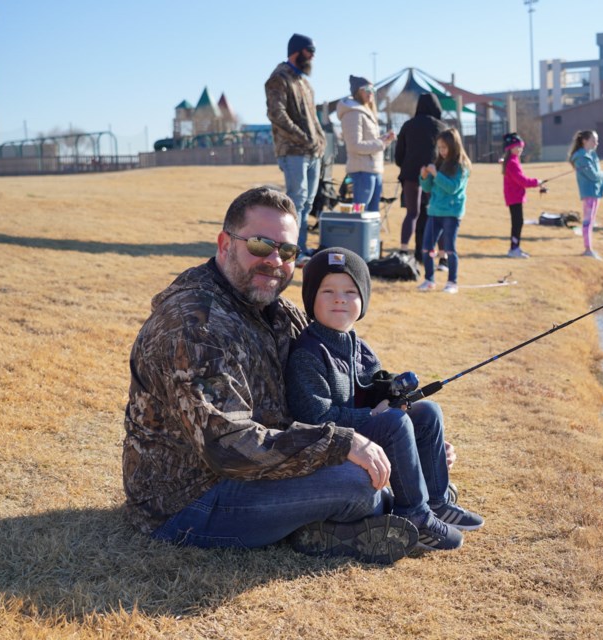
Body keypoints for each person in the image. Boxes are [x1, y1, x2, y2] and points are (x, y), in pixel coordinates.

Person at [122, 187, 419, 564]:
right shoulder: (195, 327)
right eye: (261, 245)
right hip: (188, 500)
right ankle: (341, 522)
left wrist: (407, 445)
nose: (275, 261)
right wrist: (341, 445)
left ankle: (327, 526)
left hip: (259, 472)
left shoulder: (275, 310)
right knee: (359, 483)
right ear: (224, 243)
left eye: (288, 251)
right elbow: (227, 448)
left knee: (372, 467)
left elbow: (334, 388)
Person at [286, 247, 484, 551]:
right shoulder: (307, 353)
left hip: (361, 430)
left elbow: (372, 382)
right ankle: (414, 515)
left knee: (427, 410)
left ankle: (436, 500)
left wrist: (392, 392)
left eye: (350, 291)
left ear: (363, 299)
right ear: (311, 298)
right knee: (393, 422)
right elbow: (313, 416)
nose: (339, 298)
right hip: (332, 444)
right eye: (328, 291)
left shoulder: (358, 346)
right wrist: (373, 417)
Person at [265, 34, 327, 266]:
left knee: (308, 203)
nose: (312, 56)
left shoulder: (304, 83)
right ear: (297, 51)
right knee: (297, 201)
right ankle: (292, 251)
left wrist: (320, 140)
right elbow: (276, 113)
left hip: (313, 152)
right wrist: (302, 138)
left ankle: (300, 246)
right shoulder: (279, 78)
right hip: (293, 151)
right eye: (309, 51)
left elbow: (312, 117)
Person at [417, 128, 471, 293]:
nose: (442, 151)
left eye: (445, 148)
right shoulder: (439, 163)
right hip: (434, 212)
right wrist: (424, 177)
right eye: (439, 147)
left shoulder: (462, 166)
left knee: (449, 249)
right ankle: (429, 279)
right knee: (426, 248)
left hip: (452, 214)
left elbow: (452, 188)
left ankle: (452, 282)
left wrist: (436, 174)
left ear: (454, 146)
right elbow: (428, 188)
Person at [394, 93, 449, 258]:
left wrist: (407, 165)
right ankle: (443, 256)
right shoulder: (442, 127)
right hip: (434, 174)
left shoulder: (408, 125)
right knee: (436, 213)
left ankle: (403, 250)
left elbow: (399, 156)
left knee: (412, 213)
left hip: (411, 174)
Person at [337, 75, 395, 213]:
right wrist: (381, 143)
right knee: (359, 212)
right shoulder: (353, 113)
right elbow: (355, 145)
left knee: (373, 214)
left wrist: (385, 139)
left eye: (373, 89)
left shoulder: (366, 111)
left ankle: (370, 236)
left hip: (374, 171)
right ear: (357, 91)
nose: (371, 92)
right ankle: (358, 235)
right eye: (366, 89)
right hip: (361, 173)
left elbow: (371, 141)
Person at [568, 130, 603, 260]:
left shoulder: (592, 155)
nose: (597, 143)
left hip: (596, 193)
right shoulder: (581, 157)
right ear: (584, 141)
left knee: (591, 222)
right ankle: (588, 249)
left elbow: (599, 178)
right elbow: (594, 176)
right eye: (593, 140)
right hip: (588, 193)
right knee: (587, 222)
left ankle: (589, 248)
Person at [502, 132, 545, 258]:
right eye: (518, 147)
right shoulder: (512, 163)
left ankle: (515, 248)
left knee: (518, 222)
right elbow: (523, 181)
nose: (521, 149)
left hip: (515, 196)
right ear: (510, 148)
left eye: (521, 146)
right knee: (517, 222)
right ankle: (514, 249)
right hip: (514, 197)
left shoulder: (513, 161)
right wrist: (537, 182)